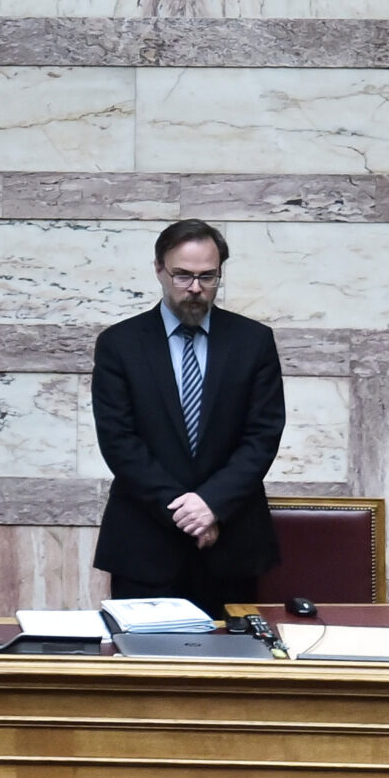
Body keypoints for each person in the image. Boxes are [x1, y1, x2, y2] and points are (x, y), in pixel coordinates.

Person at [92, 218, 284, 619]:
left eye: (207, 277)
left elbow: (262, 435)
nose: (195, 288)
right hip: (144, 544)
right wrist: (188, 513)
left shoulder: (253, 341)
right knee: (145, 673)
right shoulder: (120, 344)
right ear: (159, 270)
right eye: (182, 275)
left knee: (231, 674)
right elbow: (119, 442)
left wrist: (212, 504)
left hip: (230, 543)